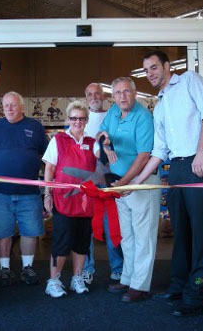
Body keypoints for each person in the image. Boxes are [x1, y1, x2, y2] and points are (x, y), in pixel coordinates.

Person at [135, 50, 203, 316]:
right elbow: (159, 151)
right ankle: (179, 285)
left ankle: (198, 290)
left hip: (199, 163)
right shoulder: (159, 105)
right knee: (181, 229)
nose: (150, 73)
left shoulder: (190, 81)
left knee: (201, 230)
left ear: (167, 66)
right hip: (177, 168)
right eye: (146, 70)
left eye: (154, 67)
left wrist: (201, 151)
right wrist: (137, 180)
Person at [99, 77, 161, 303]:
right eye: (117, 93)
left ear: (135, 94)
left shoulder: (144, 117)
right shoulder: (113, 112)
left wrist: (124, 181)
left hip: (141, 183)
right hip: (120, 184)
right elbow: (101, 134)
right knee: (127, 235)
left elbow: (144, 156)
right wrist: (104, 142)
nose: (122, 96)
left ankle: (140, 285)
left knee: (143, 236)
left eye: (126, 92)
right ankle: (127, 277)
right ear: (113, 96)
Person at [0, 91, 48, 287]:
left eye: (13, 105)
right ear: (2, 107)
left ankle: (26, 268)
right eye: (6, 105)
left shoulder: (35, 127)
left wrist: (48, 188)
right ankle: (4, 269)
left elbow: (47, 158)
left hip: (29, 194)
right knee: (3, 232)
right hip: (1, 193)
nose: (9, 108)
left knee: (30, 231)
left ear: (22, 107)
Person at [42, 100, 100, 298]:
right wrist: (47, 194)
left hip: (85, 202)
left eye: (81, 118)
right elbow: (49, 169)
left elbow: (103, 164)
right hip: (63, 200)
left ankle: (77, 278)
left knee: (82, 243)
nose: (77, 122)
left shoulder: (93, 143)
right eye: (73, 118)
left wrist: (107, 142)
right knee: (61, 243)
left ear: (86, 120)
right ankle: (54, 281)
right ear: (68, 119)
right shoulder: (58, 140)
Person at [81, 82, 123, 285]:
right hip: (87, 184)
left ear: (104, 95)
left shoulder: (113, 116)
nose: (94, 97)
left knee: (112, 227)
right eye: (90, 94)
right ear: (86, 97)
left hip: (110, 183)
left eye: (97, 93)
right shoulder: (80, 121)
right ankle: (87, 269)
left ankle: (118, 269)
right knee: (87, 229)